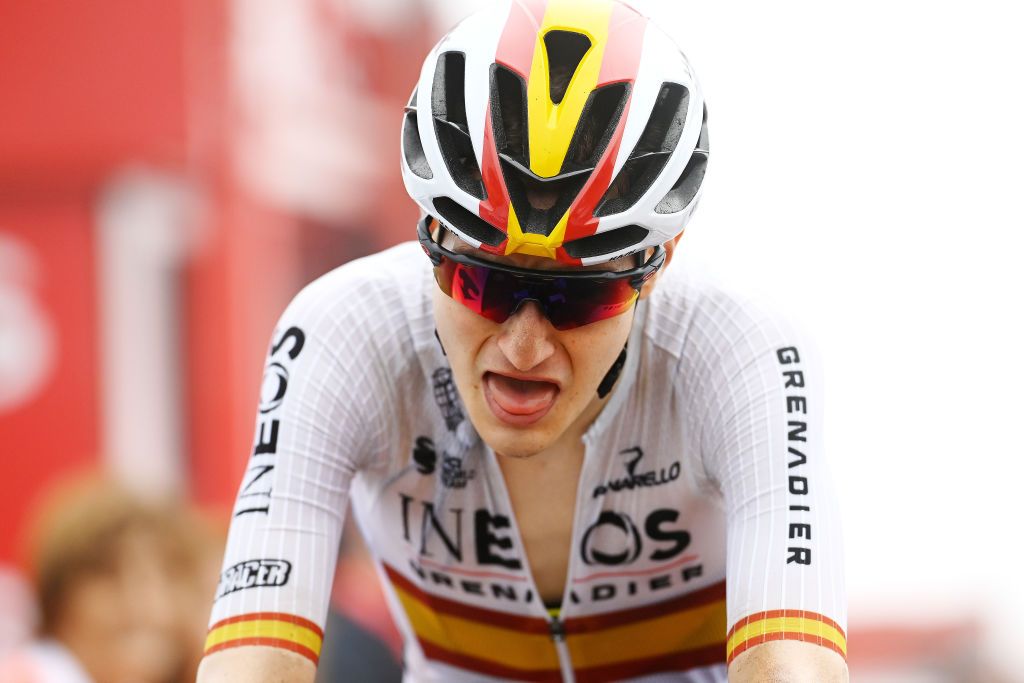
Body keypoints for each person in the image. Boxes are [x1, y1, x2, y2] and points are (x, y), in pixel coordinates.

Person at [198, 1, 848, 681]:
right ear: (432, 239)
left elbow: (790, 665)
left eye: (582, 295)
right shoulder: (346, 332)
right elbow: (252, 662)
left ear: (662, 259)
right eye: (483, 283)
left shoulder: (738, 349)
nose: (525, 345)